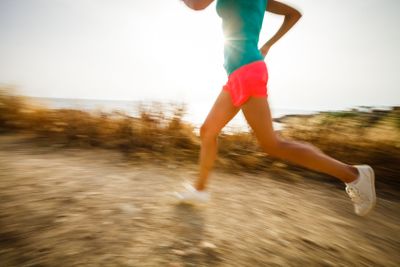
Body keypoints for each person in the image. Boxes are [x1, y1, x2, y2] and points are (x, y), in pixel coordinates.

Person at [177, 0, 376, 216]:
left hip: (246, 71)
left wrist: (268, 45)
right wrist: (268, 44)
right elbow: (293, 14)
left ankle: (354, 174)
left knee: (272, 144)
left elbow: (197, 5)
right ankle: (200, 190)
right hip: (238, 74)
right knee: (208, 131)